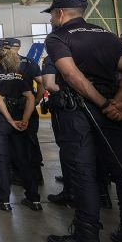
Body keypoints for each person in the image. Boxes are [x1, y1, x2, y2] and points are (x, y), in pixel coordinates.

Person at [43, 0, 122, 242]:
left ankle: (87, 239)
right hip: (113, 112)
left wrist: (103, 103)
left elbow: (71, 76)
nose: (52, 20)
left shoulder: (58, 37)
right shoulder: (108, 35)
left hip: (79, 111)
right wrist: (120, 101)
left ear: (59, 13)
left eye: (51, 15)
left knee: (83, 172)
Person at [0, 39, 40, 212]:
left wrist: (8, 120)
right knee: (24, 159)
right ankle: (34, 199)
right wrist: (25, 119)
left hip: (2, 121)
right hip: (20, 118)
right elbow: (30, 97)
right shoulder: (18, 72)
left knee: (2, 161)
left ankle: (3, 200)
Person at [7, 37, 45, 186]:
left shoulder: (7, 64)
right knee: (31, 140)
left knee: (15, 143)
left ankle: (18, 175)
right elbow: (42, 83)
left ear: (7, 48)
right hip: (29, 107)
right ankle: (36, 175)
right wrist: (36, 101)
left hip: (13, 107)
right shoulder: (30, 63)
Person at [42, 55, 73, 207]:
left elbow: (48, 84)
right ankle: (103, 195)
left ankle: (70, 192)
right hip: (96, 106)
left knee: (68, 150)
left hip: (67, 109)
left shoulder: (53, 58)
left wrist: (71, 92)